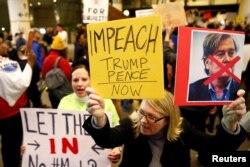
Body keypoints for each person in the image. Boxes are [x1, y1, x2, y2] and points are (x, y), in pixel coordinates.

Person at [83, 88, 247, 167]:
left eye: (152, 117)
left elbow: (217, 149)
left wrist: (230, 123)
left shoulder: (182, 129)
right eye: (142, 112)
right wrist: (99, 118)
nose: (144, 121)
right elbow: (107, 139)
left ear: (169, 120)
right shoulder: (133, 123)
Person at [58, 58, 121, 163]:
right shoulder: (64, 102)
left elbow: (116, 128)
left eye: (84, 79)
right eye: (75, 80)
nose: (79, 84)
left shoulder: (105, 102)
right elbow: (56, 134)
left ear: (91, 79)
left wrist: (116, 148)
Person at [0, 42, 35, 167]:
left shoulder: (6, 61)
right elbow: (20, 83)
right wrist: (30, 63)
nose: (4, 46)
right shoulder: (4, 65)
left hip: (9, 113)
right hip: (10, 114)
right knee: (11, 149)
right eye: (0, 43)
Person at [189, 33, 241, 101]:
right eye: (220, 54)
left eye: (231, 53)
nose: (227, 59)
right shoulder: (191, 91)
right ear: (206, 63)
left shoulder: (243, 88)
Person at [42, 35, 72, 108]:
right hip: (62, 93)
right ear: (62, 50)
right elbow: (69, 75)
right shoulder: (62, 61)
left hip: (51, 92)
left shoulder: (46, 59)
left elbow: (43, 76)